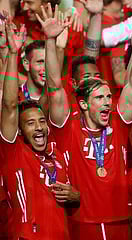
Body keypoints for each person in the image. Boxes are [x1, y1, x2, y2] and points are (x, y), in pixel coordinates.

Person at [42, 2, 132, 239]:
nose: (107, 102)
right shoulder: (68, 126)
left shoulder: (118, 123)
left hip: (120, 220)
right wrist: (50, 42)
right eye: (99, 98)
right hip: (81, 222)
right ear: (84, 103)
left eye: (108, 97)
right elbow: (54, 86)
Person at [0, 15, 79, 240]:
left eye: (42, 121)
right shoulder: (14, 152)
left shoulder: (58, 153)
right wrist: (13, 54)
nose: (39, 128)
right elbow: (9, 105)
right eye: (30, 123)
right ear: (19, 132)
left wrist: (76, 196)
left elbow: (53, 89)